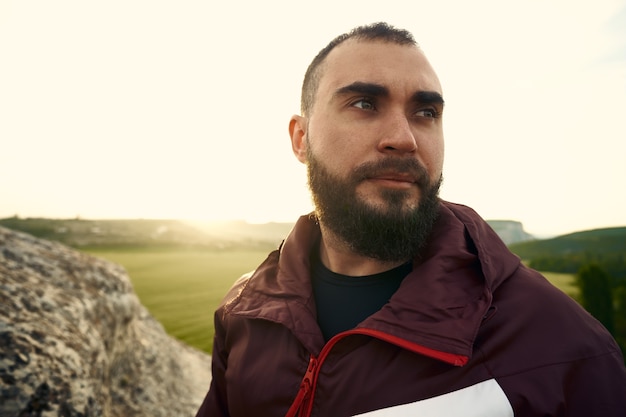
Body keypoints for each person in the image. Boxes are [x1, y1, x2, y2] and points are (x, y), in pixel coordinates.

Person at [195, 22, 626, 416]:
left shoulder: (562, 345)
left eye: (426, 113)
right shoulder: (245, 312)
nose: (403, 138)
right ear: (301, 138)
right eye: (364, 103)